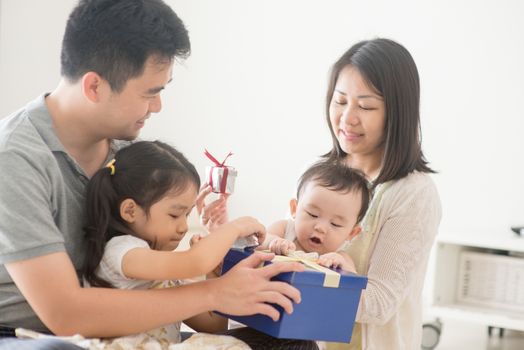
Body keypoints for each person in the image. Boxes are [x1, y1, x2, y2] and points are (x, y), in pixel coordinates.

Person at [0, 1, 316, 349]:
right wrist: (214, 292)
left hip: (126, 330)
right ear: (94, 87)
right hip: (34, 336)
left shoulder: (127, 156)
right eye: (150, 93)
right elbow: (64, 315)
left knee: (293, 342)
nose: (157, 107)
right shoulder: (15, 158)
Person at [82, 140, 266, 345]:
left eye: (187, 215)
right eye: (175, 214)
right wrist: (234, 228)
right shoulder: (122, 251)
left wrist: (212, 274)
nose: (184, 227)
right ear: (130, 211)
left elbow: (215, 326)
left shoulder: (161, 271)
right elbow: (194, 262)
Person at [321, 38, 442, 350]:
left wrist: (311, 281)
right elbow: (293, 246)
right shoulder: (321, 173)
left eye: (365, 106)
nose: (347, 118)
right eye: (340, 100)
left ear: (397, 113)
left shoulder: (412, 193)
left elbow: (378, 303)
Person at [258, 160, 370, 272]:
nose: (320, 228)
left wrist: (340, 265)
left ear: (351, 233)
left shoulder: (341, 258)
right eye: (313, 214)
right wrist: (273, 241)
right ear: (294, 208)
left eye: (335, 224)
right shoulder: (285, 229)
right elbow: (259, 241)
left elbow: (352, 282)